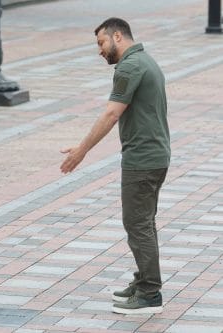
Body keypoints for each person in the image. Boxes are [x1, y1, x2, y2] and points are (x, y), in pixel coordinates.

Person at [60, 17, 170, 315]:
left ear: (117, 36)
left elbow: (111, 114)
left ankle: (150, 294)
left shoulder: (130, 66)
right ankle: (145, 280)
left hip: (142, 159)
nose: (100, 51)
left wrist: (81, 151)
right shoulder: (146, 60)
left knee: (137, 225)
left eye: (101, 43)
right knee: (143, 223)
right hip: (155, 155)